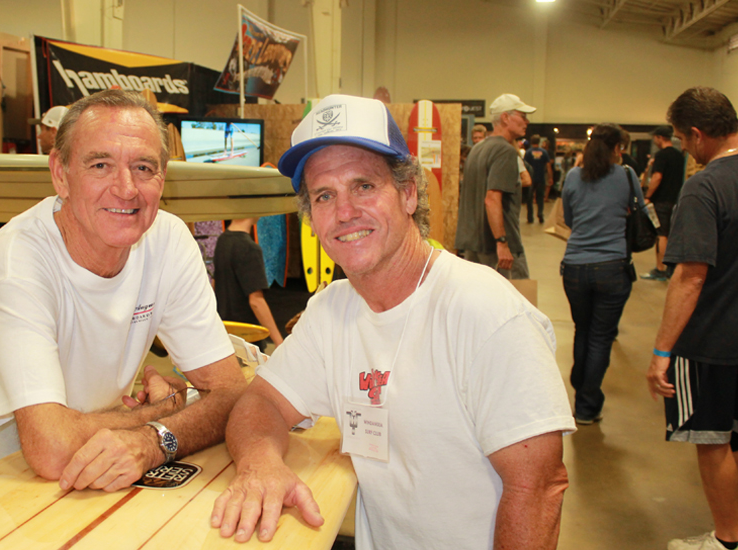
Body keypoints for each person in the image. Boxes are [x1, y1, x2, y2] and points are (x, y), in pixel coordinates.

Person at [211, 94, 575, 549]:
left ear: (408, 193)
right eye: (325, 195)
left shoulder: (486, 314)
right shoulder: (331, 311)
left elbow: (538, 488)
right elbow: (259, 403)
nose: (345, 212)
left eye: (363, 186)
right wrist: (261, 464)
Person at [0, 90, 247, 489]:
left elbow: (229, 393)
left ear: (163, 177)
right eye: (101, 165)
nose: (125, 188)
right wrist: (161, 413)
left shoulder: (168, 240)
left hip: (98, 480)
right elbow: (51, 448)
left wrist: (155, 440)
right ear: (60, 174)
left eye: (143, 167)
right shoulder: (18, 262)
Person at [646, 86, 738, 550]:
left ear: (699, 135)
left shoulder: (705, 185)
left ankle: (727, 539)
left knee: (713, 438)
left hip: (713, 342)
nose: (684, 148)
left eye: (683, 139)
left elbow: (690, 276)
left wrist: (661, 351)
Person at [561, 123, 643, 425]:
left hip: (574, 267)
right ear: (618, 149)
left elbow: (569, 218)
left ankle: (579, 385)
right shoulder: (626, 176)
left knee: (582, 330)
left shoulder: (572, 176)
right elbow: (641, 214)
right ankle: (586, 404)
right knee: (600, 337)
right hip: (612, 267)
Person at [456, 93, 534, 279]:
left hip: (474, 247)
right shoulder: (505, 151)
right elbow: (492, 199)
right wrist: (502, 242)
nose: (527, 121)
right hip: (498, 251)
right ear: (506, 118)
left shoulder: (476, 150)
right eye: (522, 116)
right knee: (514, 304)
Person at [213, 218, 284, 350]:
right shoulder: (249, 248)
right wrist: (279, 341)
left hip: (225, 334)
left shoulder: (222, 240)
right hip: (247, 337)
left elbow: (215, 285)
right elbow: (256, 302)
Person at [642, 125, 685, 281]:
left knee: (661, 234)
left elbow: (657, 177)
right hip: (675, 199)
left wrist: (647, 196)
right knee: (668, 233)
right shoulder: (680, 155)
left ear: (660, 137)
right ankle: (667, 268)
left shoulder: (661, 155)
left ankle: (661, 269)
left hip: (661, 201)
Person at [524, 134, 553, 223]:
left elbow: (525, 166)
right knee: (540, 197)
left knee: (529, 198)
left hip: (530, 178)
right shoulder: (544, 152)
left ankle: (530, 217)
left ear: (531, 141)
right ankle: (540, 213)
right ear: (539, 141)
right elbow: (548, 166)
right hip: (541, 177)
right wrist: (550, 177)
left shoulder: (528, 152)